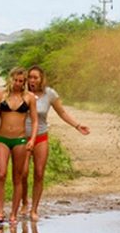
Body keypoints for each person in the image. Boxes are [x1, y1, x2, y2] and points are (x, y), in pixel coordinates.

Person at [20, 65, 90, 221]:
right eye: (30, 77)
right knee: (23, 173)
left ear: (41, 79)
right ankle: (24, 201)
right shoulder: (21, 93)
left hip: (40, 136)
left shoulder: (49, 94)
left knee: (39, 173)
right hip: (22, 137)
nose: (32, 80)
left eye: (35, 77)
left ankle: (34, 209)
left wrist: (77, 125)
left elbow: (62, 112)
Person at [0, 67, 38, 225]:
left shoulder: (29, 98)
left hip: (19, 140)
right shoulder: (0, 95)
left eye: (21, 81)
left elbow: (34, 120)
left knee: (17, 177)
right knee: (1, 174)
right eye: (15, 80)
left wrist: (32, 139)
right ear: (10, 79)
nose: (18, 83)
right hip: (2, 139)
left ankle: (13, 213)